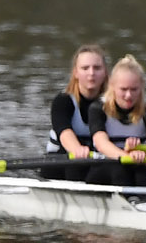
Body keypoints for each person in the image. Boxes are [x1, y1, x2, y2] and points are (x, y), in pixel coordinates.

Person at [85, 54, 146, 188]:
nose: (128, 95)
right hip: (103, 168)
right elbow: (101, 143)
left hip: (135, 165)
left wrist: (141, 151)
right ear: (112, 86)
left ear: (141, 87)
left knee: (144, 172)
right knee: (119, 170)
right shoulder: (98, 108)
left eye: (134, 89)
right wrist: (126, 155)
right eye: (123, 89)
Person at [44, 44, 110, 181]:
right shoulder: (63, 101)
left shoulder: (112, 103)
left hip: (94, 161)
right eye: (85, 68)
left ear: (105, 72)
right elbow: (64, 132)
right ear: (76, 73)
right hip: (60, 160)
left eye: (97, 68)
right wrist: (77, 149)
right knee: (75, 165)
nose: (91, 73)